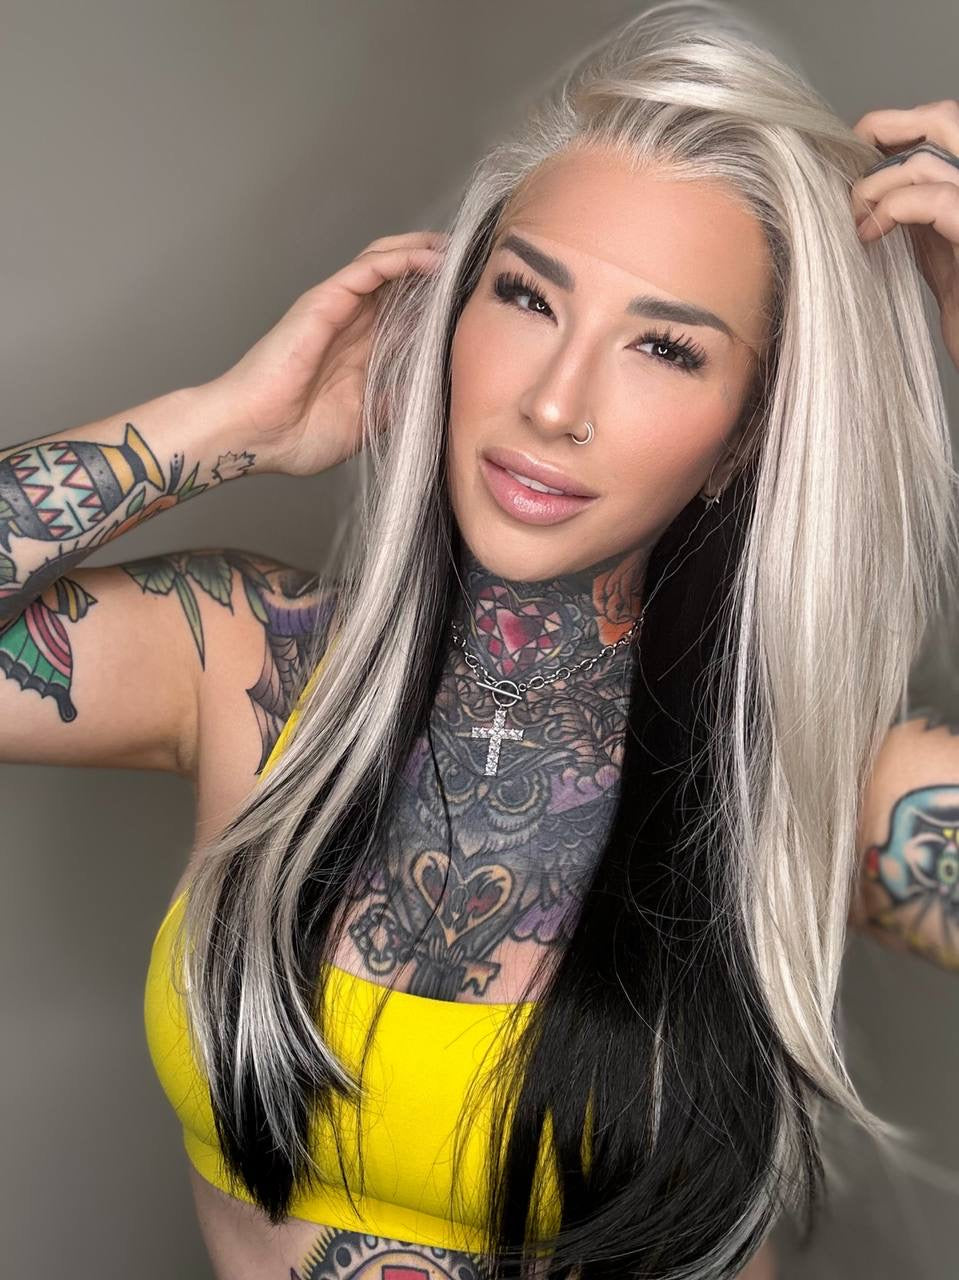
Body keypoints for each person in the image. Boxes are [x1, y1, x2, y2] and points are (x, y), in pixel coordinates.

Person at [2, 1, 958, 1276]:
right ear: (450, 312)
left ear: (745, 433)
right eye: (525, 296)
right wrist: (221, 424)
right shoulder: (247, 663)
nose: (554, 401)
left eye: (663, 347)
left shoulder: (816, 782)